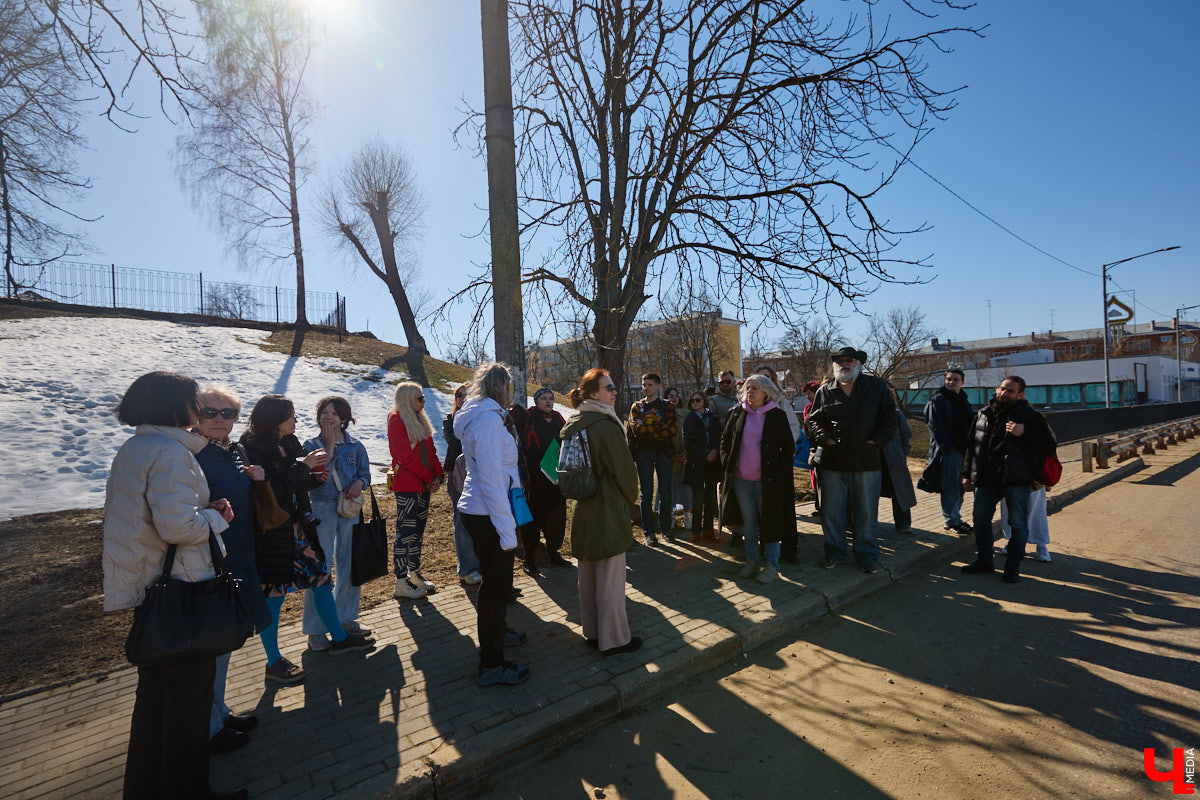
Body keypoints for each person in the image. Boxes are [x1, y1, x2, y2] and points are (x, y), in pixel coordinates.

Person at [102, 371, 247, 800]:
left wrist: (201, 510)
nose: (200, 410)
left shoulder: (136, 447)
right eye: (195, 402)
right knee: (187, 708)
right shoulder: (169, 453)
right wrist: (218, 516)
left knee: (154, 706)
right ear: (173, 406)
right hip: (185, 592)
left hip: (153, 590)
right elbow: (179, 526)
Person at [241, 395, 375, 684]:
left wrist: (317, 476)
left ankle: (339, 637)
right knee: (274, 593)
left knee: (320, 578)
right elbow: (272, 490)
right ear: (275, 419)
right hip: (274, 530)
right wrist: (304, 467)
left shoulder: (289, 444)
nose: (296, 420)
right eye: (291, 415)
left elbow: (302, 482)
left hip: (299, 525)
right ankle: (274, 660)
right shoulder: (253, 448)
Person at [192, 385, 270, 757]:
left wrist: (256, 477)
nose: (220, 420)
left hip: (238, 555)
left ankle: (218, 712)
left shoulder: (233, 451)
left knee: (227, 641)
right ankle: (206, 728)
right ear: (196, 416)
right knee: (213, 644)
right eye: (211, 413)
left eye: (228, 414)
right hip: (210, 561)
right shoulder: (189, 455)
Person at [454, 362, 531, 686]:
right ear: (500, 387)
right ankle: (491, 665)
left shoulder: (487, 417)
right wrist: (506, 531)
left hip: (486, 509)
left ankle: (499, 634)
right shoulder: (486, 421)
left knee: (496, 582)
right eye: (509, 386)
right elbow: (489, 478)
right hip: (488, 511)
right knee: (495, 587)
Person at [559, 368, 644, 656]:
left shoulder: (574, 423)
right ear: (593, 392)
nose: (614, 392)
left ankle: (593, 633)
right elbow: (624, 473)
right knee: (610, 577)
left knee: (588, 575)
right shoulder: (607, 426)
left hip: (583, 508)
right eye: (609, 388)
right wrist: (632, 498)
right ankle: (615, 640)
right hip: (607, 508)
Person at [805, 346, 897, 574]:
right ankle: (834, 552)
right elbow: (813, 421)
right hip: (833, 463)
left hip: (866, 463)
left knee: (866, 512)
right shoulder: (826, 391)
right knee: (831, 511)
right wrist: (825, 439)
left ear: (859, 363)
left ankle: (867, 556)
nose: (844, 364)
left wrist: (876, 442)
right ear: (835, 366)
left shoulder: (876, 387)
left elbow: (890, 418)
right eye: (840, 361)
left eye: (850, 360)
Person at [961, 375, 1057, 584]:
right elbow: (971, 446)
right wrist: (967, 474)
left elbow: (1048, 448)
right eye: (1002, 389)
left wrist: (1023, 434)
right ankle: (985, 560)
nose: (1004, 393)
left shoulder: (1031, 418)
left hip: (1017, 480)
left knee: (1018, 525)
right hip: (986, 479)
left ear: (1020, 395)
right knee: (980, 520)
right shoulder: (983, 414)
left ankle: (1012, 568)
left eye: (1010, 391)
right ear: (997, 389)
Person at [301, 396, 373, 650]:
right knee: (320, 569)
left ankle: (345, 618)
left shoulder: (356, 446)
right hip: (321, 510)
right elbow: (315, 476)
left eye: (333, 413)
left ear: (344, 418)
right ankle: (316, 630)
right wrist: (329, 446)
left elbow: (365, 473)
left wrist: (360, 483)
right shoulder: (310, 445)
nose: (328, 417)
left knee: (348, 565)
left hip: (349, 510)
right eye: (324, 412)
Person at [718, 375, 795, 583]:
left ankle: (772, 565)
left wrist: (778, 472)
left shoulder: (776, 415)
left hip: (766, 482)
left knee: (770, 521)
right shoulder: (737, 413)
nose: (749, 391)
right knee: (749, 523)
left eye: (755, 388)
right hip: (742, 481)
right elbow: (725, 442)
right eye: (748, 388)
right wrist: (728, 464)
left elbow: (788, 449)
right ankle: (752, 561)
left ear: (766, 392)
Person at [388, 381, 445, 599]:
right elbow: (405, 457)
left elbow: (431, 453)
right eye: (419, 398)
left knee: (418, 532)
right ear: (407, 398)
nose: (423, 401)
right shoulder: (396, 420)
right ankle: (401, 581)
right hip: (408, 487)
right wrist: (430, 477)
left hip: (423, 486)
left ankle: (414, 573)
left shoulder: (420, 420)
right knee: (405, 533)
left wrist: (438, 476)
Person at [520, 388, 570, 576]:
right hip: (535, 477)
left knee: (556, 516)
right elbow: (524, 443)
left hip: (555, 476)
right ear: (536, 401)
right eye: (544, 398)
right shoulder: (529, 418)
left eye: (551, 398)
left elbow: (567, 441)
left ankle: (553, 552)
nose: (548, 402)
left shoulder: (559, 419)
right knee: (533, 518)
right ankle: (529, 558)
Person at [752, 365, 800, 563]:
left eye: (768, 377)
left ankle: (789, 550)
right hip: (758, 464)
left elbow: (793, 428)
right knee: (763, 507)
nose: (765, 381)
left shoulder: (781, 402)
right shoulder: (750, 402)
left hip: (780, 463)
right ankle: (765, 548)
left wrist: (782, 449)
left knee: (786, 506)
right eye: (760, 378)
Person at [627, 372, 677, 545]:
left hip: (663, 452)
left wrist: (646, 428)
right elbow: (635, 430)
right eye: (643, 384)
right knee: (646, 493)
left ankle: (666, 530)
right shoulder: (637, 407)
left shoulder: (667, 406)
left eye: (649, 384)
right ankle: (649, 533)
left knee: (665, 493)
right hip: (644, 454)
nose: (645, 388)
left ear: (658, 386)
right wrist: (657, 428)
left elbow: (671, 431)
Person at [924, 368, 975, 535]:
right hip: (949, 452)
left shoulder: (964, 401)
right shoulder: (938, 400)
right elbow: (935, 427)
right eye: (949, 379)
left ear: (962, 382)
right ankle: (950, 521)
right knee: (950, 487)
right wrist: (949, 448)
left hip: (964, 451)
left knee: (961, 487)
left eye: (955, 379)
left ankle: (956, 518)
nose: (951, 382)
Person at [443, 383, 483, 585]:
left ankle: (480, 563)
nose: (462, 398)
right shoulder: (450, 419)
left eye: (466, 394)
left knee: (480, 518)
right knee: (461, 520)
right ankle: (466, 568)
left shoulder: (480, 417)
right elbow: (456, 441)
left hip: (479, 472)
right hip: (457, 473)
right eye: (459, 395)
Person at [683, 391, 722, 541]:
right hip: (696, 464)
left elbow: (720, 437)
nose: (695, 403)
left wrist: (714, 451)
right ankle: (696, 533)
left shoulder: (713, 417)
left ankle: (709, 532)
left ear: (704, 401)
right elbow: (688, 442)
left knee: (711, 499)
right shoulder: (689, 419)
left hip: (712, 464)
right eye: (692, 401)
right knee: (697, 500)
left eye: (698, 400)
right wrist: (704, 454)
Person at [880, 389, 916, 535]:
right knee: (870, 495)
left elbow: (905, 435)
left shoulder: (896, 414)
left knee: (900, 493)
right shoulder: (869, 415)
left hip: (895, 461)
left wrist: (903, 454)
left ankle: (904, 524)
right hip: (874, 461)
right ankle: (869, 525)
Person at [665, 386, 692, 531]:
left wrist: (686, 453)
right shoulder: (662, 415)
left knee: (686, 488)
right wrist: (671, 455)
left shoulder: (686, 414)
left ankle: (687, 516)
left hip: (684, 457)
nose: (674, 398)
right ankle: (671, 517)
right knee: (669, 488)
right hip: (669, 458)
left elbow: (692, 436)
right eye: (670, 396)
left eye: (676, 395)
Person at [1000, 487, 1052, 562]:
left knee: (1036, 509)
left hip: (1034, 480)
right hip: (1011, 479)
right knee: (1010, 508)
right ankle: (1012, 542)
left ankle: (1041, 546)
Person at [753, 365, 801, 440]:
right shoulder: (746, 404)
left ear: (773, 380)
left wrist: (783, 445)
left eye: (766, 376)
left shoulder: (782, 402)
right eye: (759, 377)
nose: (763, 380)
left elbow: (794, 426)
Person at [800, 380, 822, 515]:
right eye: (806, 394)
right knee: (813, 475)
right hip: (810, 445)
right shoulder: (807, 408)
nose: (807, 397)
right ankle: (818, 505)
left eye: (810, 394)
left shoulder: (822, 406)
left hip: (820, 444)